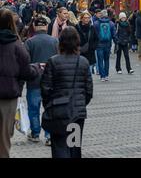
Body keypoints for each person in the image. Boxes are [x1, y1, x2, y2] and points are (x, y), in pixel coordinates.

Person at [41, 27, 93, 158]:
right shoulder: (83, 62)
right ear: (77, 42)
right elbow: (89, 90)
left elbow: (45, 88)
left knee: (59, 147)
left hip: (58, 112)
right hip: (76, 114)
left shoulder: (53, 61)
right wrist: (80, 103)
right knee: (73, 147)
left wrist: (49, 104)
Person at [0, 8, 41, 158]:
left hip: (8, 94)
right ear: (12, 24)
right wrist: (36, 68)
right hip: (8, 96)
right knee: (4, 137)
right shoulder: (17, 45)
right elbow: (26, 72)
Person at [24, 17, 58, 146]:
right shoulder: (55, 41)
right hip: (51, 81)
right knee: (49, 108)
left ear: (35, 26)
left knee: (33, 108)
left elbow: (25, 63)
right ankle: (49, 135)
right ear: (46, 27)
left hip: (34, 80)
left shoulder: (29, 42)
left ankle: (35, 133)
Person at [93, 10, 116, 82]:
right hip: (108, 44)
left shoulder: (96, 23)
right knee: (106, 60)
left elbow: (94, 34)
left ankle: (102, 76)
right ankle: (106, 75)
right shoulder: (111, 23)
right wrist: (116, 42)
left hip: (99, 44)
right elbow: (114, 34)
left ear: (100, 15)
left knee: (100, 60)